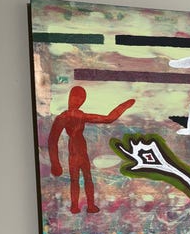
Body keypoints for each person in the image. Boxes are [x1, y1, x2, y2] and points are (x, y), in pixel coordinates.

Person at [48, 86, 135, 214]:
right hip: (76, 151)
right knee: (79, 179)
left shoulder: (70, 116)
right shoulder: (66, 117)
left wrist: (124, 105)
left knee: (84, 178)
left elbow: (108, 119)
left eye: (80, 99)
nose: (77, 101)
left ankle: (86, 205)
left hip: (80, 151)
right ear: (71, 98)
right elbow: (52, 141)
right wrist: (55, 163)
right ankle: (79, 206)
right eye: (76, 98)